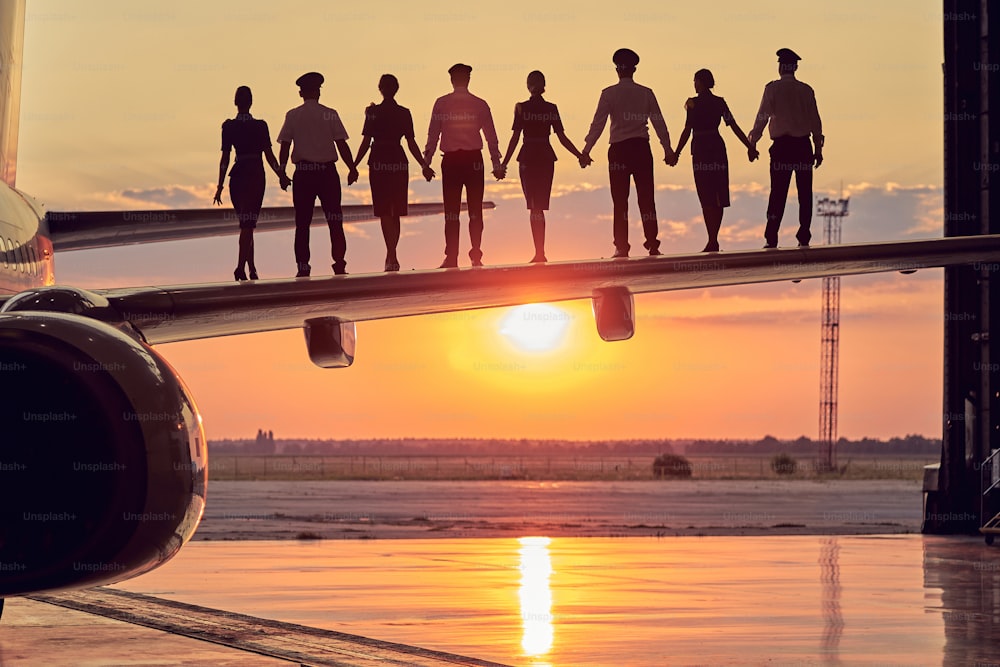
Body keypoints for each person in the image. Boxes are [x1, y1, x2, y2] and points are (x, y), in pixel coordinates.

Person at [581, 48, 675, 259]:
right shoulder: (646, 93)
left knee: (620, 200)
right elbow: (659, 123)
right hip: (641, 148)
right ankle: (652, 242)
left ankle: (621, 246)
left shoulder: (609, 94)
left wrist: (586, 151)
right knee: (646, 197)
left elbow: (598, 124)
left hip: (619, 151)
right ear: (633, 69)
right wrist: (668, 150)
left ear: (617, 70)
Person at [277, 71, 358, 277]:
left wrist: (282, 171)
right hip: (326, 173)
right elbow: (341, 143)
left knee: (302, 222)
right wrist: (352, 167)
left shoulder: (293, 115)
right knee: (334, 219)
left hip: (303, 174)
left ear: (301, 93)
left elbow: (285, 145)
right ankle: (339, 262)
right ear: (318, 92)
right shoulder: (330, 113)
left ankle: (303, 266)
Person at [423, 63, 504, 268]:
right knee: (475, 209)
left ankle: (451, 256)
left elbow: (433, 134)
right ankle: (475, 253)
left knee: (451, 211)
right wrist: (496, 163)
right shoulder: (480, 104)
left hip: (451, 162)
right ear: (468, 79)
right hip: (473, 161)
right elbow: (491, 136)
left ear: (452, 80)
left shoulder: (441, 103)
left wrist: (427, 161)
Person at [500, 70, 585, 263]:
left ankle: (539, 252)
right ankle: (540, 251)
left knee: (534, 208)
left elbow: (515, 138)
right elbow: (562, 137)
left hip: (529, 157)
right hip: (545, 156)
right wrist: (580, 155)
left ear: (528, 85)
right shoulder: (551, 108)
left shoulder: (521, 107)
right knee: (539, 206)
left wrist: (504, 163)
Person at [353, 74, 433, 272]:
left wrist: (354, 165)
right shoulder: (403, 112)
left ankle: (391, 254)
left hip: (380, 159)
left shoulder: (374, 112)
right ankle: (392, 254)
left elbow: (365, 142)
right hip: (396, 159)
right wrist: (423, 165)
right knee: (393, 211)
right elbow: (411, 143)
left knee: (385, 211)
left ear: (380, 88)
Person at [673, 69, 758, 252]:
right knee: (718, 194)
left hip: (702, 149)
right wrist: (749, 146)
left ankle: (712, 239)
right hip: (717, 148)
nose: (694, 85)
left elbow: (687, 130)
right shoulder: (719, 102)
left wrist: (676, 153)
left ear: (701, 82)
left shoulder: (692, 103)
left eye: (695, 81)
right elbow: (733, 126)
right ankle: (713, 238)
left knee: (705, 194)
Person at [748, 48, 824, 249]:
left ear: (781, 67)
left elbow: (762, 117)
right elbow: (815, 122)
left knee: (778, 193)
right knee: (805, 193)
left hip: (781, 147)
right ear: (795, 67)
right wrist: (818, 148)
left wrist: (753, 142)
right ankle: (804, 233)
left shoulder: (772, 89)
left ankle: (771, 236)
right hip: (802, 147)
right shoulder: (806, 90)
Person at [213, 85, 289, 281]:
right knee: (248, 224)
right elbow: (270, 156)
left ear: (235, 102)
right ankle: (240, 268)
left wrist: (220, 186)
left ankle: (252, 268)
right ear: (251, 102)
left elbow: (225, 159)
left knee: (247, 224)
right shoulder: (260, 126)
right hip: (255, 175)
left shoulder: (228, 127)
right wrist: (281, 174)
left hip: (237, 177)